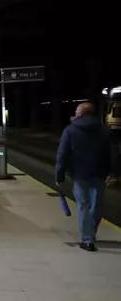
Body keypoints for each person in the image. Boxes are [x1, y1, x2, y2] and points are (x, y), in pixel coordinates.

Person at [56, 102, 117, 252]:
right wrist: (114, 173)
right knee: (96, 206)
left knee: (83, 205)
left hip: (79, 174)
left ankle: (87, 239)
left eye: (76, 112)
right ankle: (90, 233)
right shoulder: (104, 130)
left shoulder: (70, 130)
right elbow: (114, 154)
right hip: (99, 174)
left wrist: (59, 175)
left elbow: (62, 155)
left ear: (80, 114)